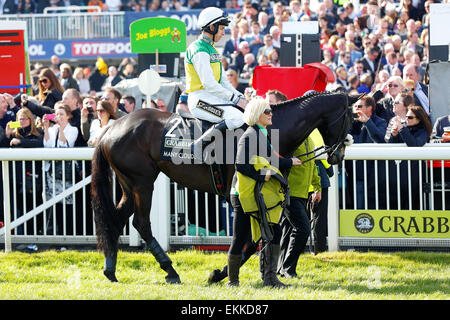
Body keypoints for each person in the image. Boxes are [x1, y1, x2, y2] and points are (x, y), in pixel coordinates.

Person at [227, 97, 302, 287]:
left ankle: (269, 278)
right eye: (267, 111)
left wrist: (289, 162)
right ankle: (233, 281)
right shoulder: (251, 135)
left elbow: (270, 160)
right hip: (243, 195)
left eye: (270, 111)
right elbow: (240, 165)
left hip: (252, 193)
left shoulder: (261, 133)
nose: (271, 114)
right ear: (256, 114)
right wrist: (262, 175)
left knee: (273, 231)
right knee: (241, 237)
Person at [185, 7, 249, 157]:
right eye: (221, 28)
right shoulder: (198, 49)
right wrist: (235, 99)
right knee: (237, 117)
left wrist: (241, 98)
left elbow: (223, 81)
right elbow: (209, 84)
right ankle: (199, 144)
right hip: (199, 100)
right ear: (211, 27)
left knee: (243, 111)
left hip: (213, 97)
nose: (223, 32)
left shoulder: (212, 49)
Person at [277, 134, 321, 278]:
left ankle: (281, 268)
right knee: (303, 228)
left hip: (301, 194)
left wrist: (317, 187)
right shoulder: (293, 137)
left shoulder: (309, 139)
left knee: (288, 230)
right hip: (290, 193)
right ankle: (288, 269)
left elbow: (312, 165)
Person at [4, 107, 43, 234]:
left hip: (32, 177)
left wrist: (20, 141)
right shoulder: (14, 134)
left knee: (33, 206)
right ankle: (18, 235)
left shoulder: (37, 132)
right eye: (20, 119)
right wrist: (7, 134)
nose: (22, 122)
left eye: (25, 119)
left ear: (30, 120)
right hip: (16, 177)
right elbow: (5, 146)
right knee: (18, 207)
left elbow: (39, 143)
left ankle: (34, 234)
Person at [42, 103, 79, 235]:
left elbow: (65, 145)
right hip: (51, 172)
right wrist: (46, 128)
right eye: (56, 114)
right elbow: (47, 145)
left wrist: (61, 130)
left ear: (68, 116)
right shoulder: (52, 129)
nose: (59, 117)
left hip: (66, 172)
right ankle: (55, 234)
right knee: (54, 204)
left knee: (67, 204)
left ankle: (68, 234)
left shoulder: (73, 129)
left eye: (62, 114)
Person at [347, 96, 388, 209]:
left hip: (374, 175)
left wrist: (368, 122)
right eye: (354, 106)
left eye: (359, 106)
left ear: (370, 108)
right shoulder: (350, 123)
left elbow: (380, 140)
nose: (356, 109)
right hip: (354, 174)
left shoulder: (380, 122)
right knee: (357, 209)